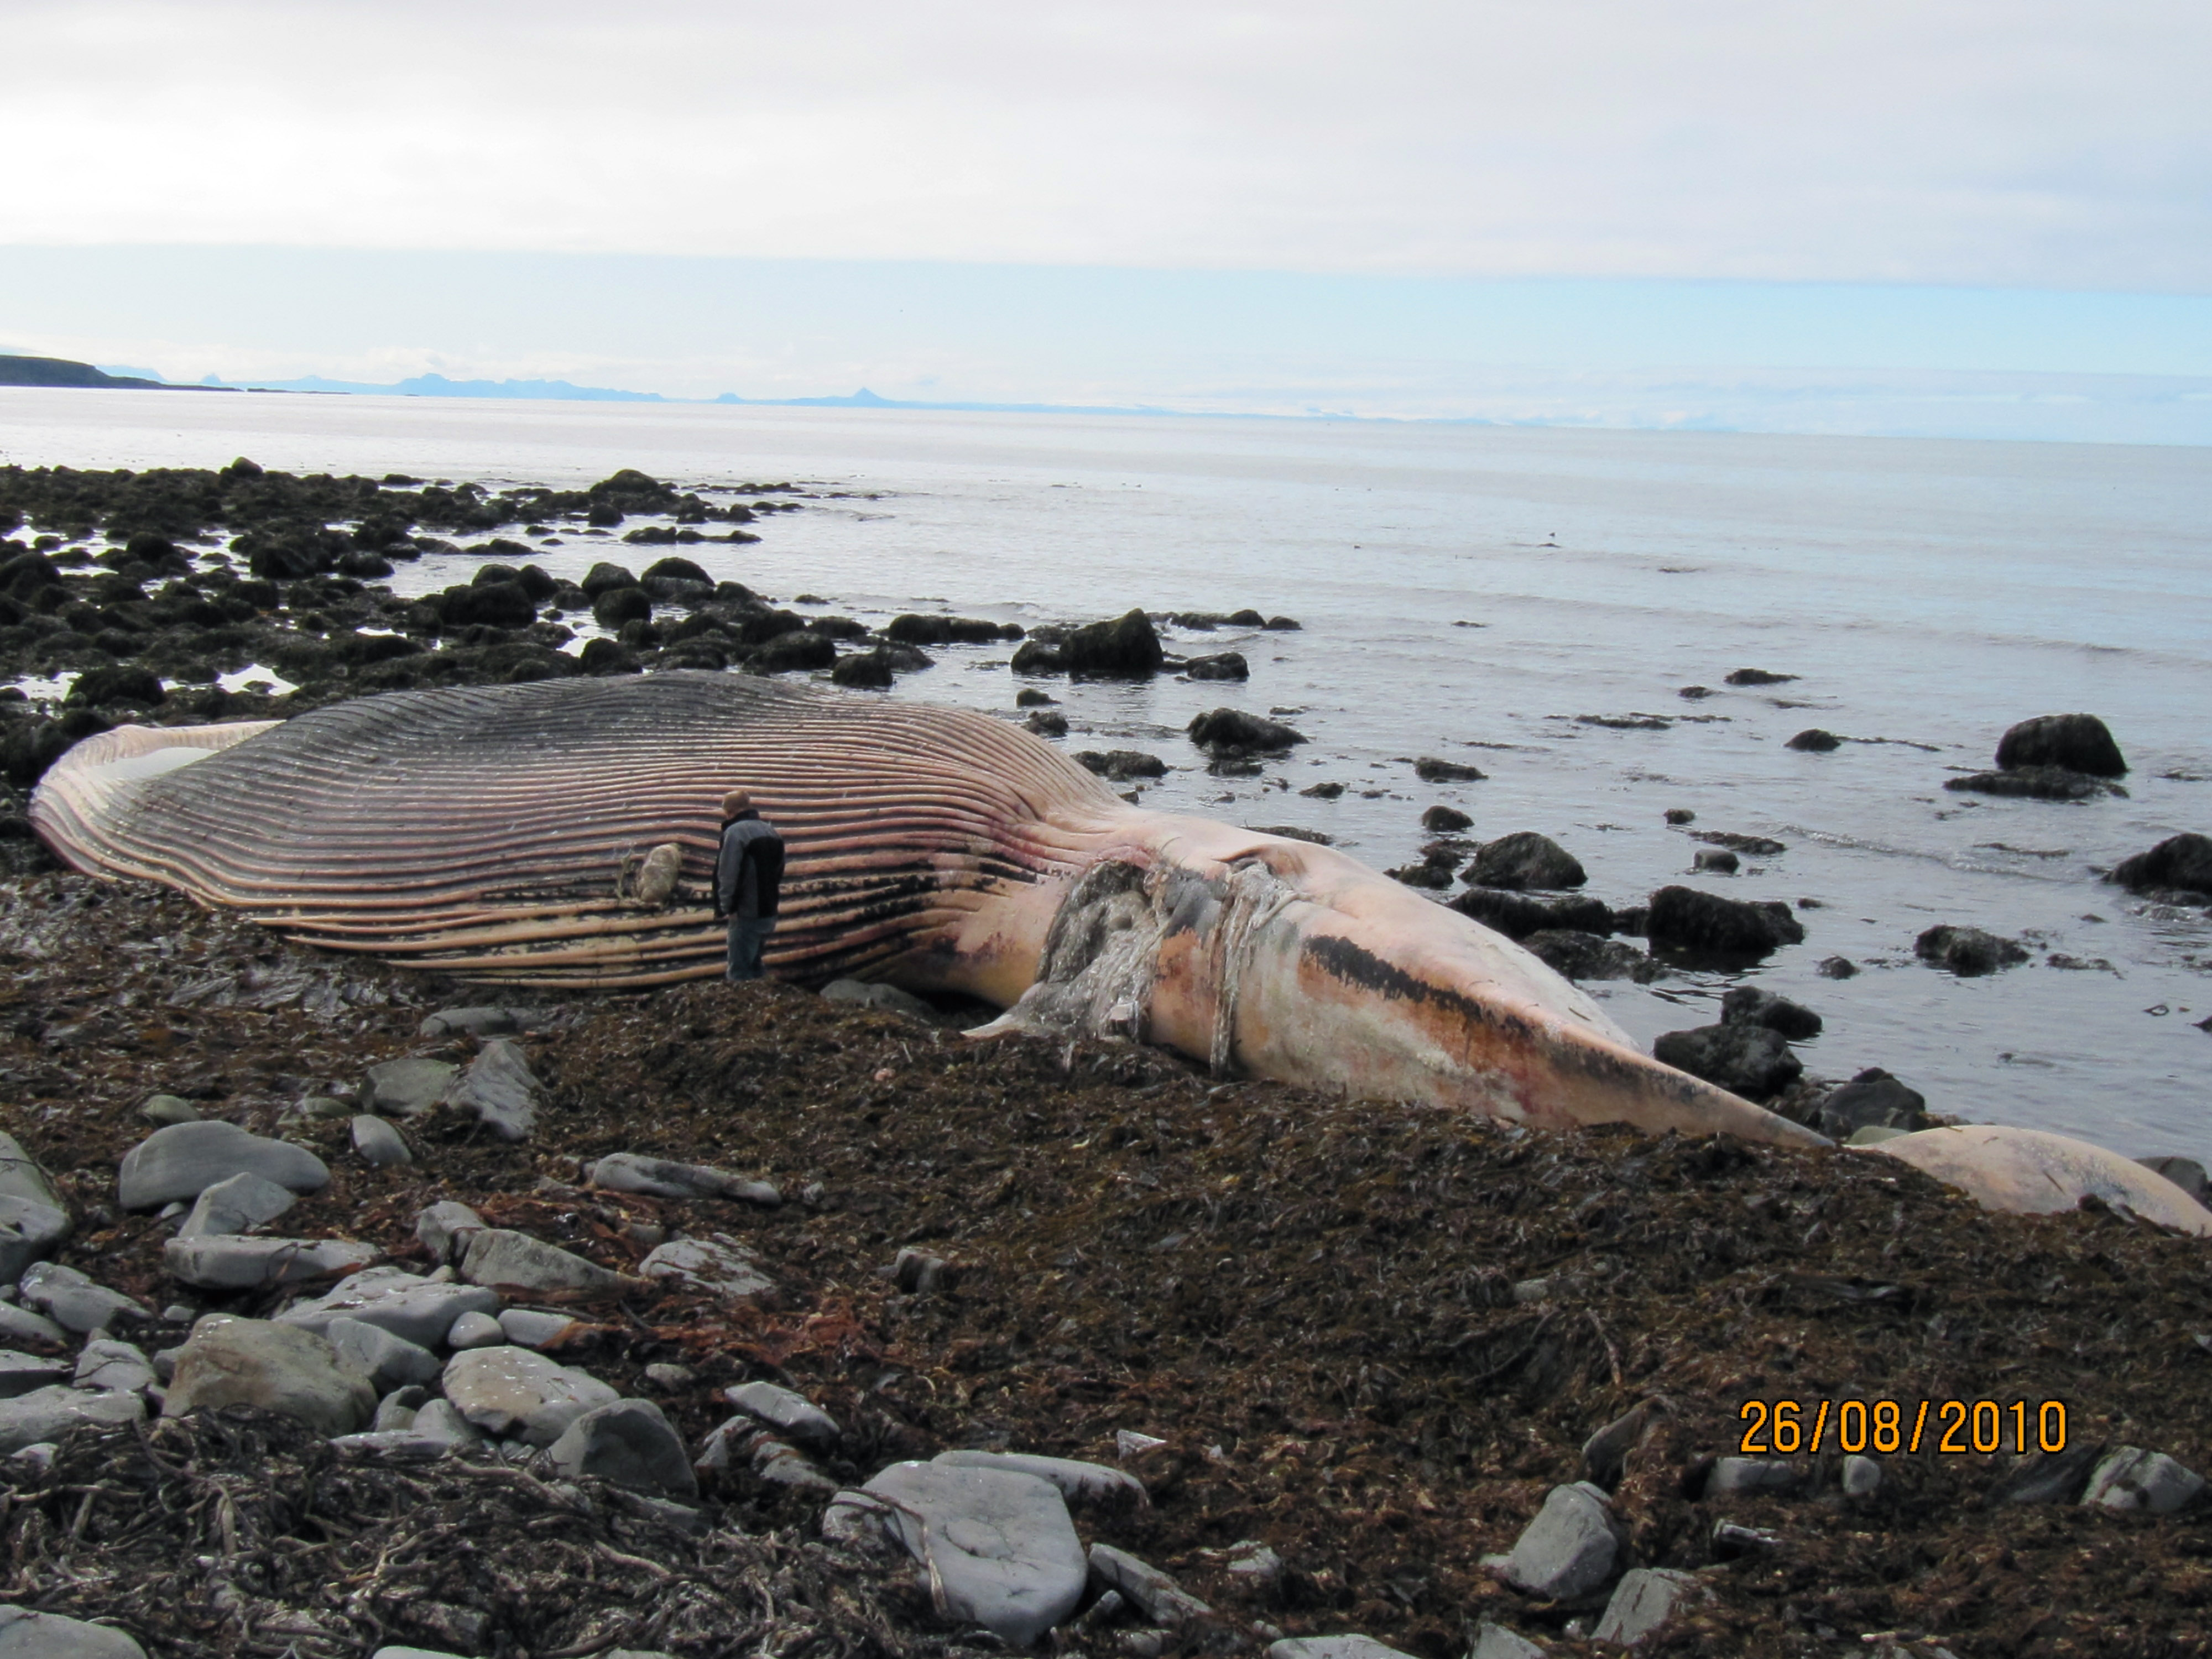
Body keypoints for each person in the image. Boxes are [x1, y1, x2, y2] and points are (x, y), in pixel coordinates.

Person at [713, 789, 784, 982]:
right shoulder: (771, 831)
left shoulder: (735, 833)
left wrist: (726, 906)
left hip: (745, 912)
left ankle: (746, 1009)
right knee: (755, 964)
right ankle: (764, 1004)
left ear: (729, 812)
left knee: (739, 972)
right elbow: (779, 871)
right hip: (768, 910)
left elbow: (728, 873)